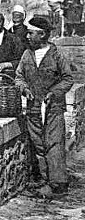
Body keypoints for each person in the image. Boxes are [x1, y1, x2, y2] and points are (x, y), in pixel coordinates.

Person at [15, 16, 74, 198]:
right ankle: (44, 180)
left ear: (42, 35)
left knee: (54, 144)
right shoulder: (27, 55)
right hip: (33, 108)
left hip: (53, 108)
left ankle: (57, 183)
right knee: (38, 144)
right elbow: (19, 77)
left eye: (31, 33)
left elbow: (68, 79)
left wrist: (54, 92)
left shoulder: (57, 54)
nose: (27, 36)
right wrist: (24, 89)